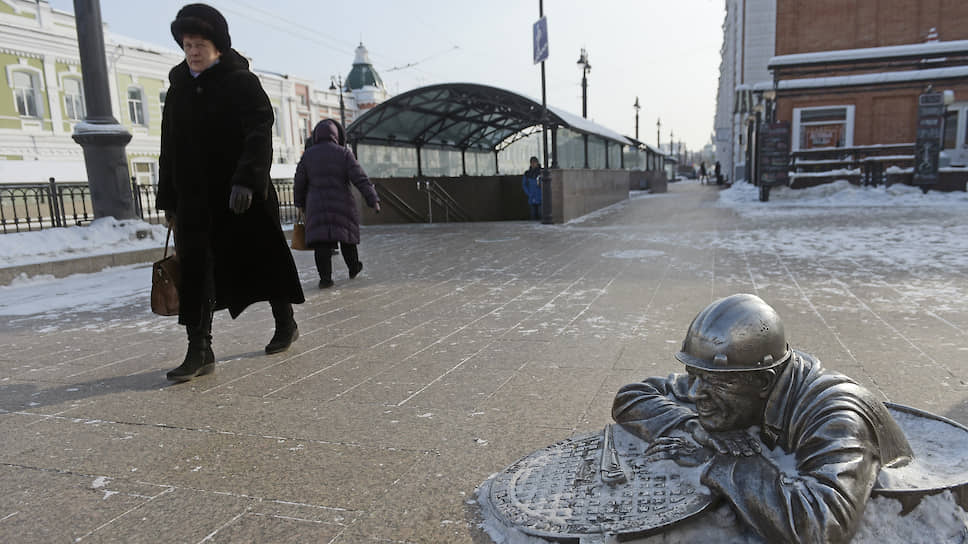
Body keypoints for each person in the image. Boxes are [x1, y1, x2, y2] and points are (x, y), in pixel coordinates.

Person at [612, 294, 913, 544]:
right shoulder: (731, 381)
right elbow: (632, 397)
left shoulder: (838, 415)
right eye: (695, 376)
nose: (696, 393)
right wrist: (692, 427)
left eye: (715, 381)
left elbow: (823, 526)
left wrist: (716, 461)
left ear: (764, 382)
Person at [156, 3, 305, 382]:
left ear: (218, 45)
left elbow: (259, 131)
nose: (193, 51)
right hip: (194, 201)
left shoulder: (241, 82)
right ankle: (200, 349)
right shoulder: (177, 91)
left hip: (241, 197)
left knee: (263, 259)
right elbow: (167, 148)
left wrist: (247, 180)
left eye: (200, 43)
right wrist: (168, 199)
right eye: (187, 43)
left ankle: (285, 322)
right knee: (196, 272)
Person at [293, 119, 380, 289]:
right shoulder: (344, 153)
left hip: (317, 205)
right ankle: (354, 267)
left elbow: (299, 181)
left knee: (321, 243)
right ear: (336, 135)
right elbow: (360, 178)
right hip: (343, 204)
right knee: (347, 238)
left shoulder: (308, 155)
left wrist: (299, 202)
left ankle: (325, 278)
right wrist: (373, 199)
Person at [521, 156, 542, 221]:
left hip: (540, 197)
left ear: (537, 163)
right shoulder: (527, 173)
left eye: (534, 163)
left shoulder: (541, 172)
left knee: (540, 214)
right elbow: (524, 184)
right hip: (532, 197)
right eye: (532, 163)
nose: (533, 164)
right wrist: (528, 193)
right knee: (533, 215)